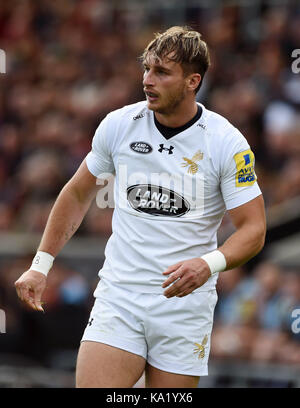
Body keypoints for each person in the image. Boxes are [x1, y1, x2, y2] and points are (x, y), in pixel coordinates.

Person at [14, 26, 266, 388]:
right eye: (147, 69)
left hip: (184, 308)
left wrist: (207, 265)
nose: (148, 80)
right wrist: (41, 266)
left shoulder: (227, 142)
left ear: (193, 81)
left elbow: (254, 229)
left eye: (162, 72)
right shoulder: (119, 126)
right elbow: (77, 194)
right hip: (121, 297)